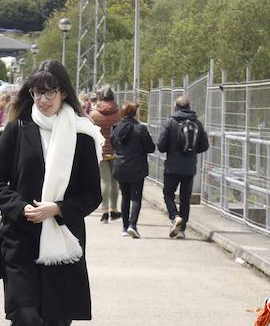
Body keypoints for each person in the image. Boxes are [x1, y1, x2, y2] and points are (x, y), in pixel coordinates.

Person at [0, 60, 102, 326]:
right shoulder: (18, 130)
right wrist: (20, 208)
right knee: (26, 320)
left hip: (63, 243)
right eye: (36, 92)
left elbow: (91, 195)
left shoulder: (82, 136)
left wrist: (57, 209)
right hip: (21, 241)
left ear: (64, 92)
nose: (43, 99)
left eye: (50, 91)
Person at [157, 94, 207, 238]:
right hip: (189, 167)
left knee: (168, 194)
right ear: (189, 107)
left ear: (176, 107)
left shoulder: (170, 122)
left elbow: (160, 146)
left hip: (172, 167)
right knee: (185, 198)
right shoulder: (197, 123)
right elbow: (204, 145)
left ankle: (174, 216)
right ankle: (182, 230)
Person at [109, 101, 154, 238]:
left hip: (120, 166)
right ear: (134, 114)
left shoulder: (116, 128)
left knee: (125, 197)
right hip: (137, 167)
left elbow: (113, 143)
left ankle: (124, 227)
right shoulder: (140, 129)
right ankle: (132, 225)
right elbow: (150, 147)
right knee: (136, 197)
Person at [88, 86, 122, 223]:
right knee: (115, 181)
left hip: (101, 151)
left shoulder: (94, 115)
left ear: (100, 97)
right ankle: (114, 209)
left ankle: (104, 211)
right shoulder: (118, 114)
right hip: (116, 151)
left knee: (104, 181)